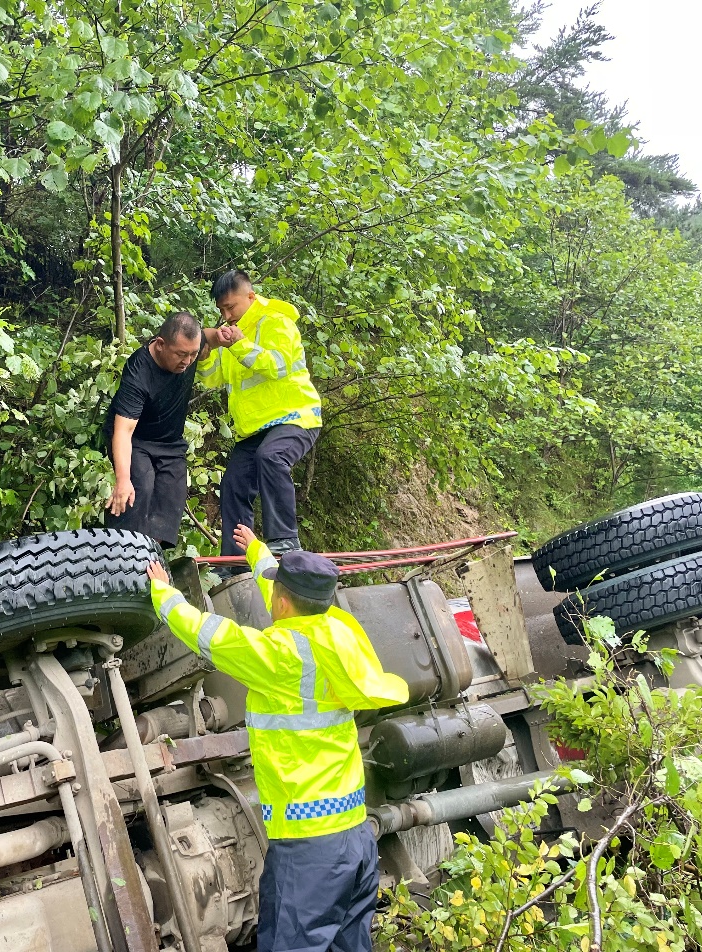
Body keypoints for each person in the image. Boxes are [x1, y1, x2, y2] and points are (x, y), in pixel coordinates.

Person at [146, 526, 409, 952]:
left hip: (309, 851)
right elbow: (289, 585)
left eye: (275, 591)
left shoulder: (280, 656)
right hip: (355, 837)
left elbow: (209, 633)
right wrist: (256, 550)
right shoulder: (336, 631)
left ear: (281, 601)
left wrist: (164, 593)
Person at [196, 270, 322, 559]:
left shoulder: (276, 321)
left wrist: (239, 344)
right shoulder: (231, 334)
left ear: (250, 296)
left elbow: (276, 365)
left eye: (231, 307)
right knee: (234, 484)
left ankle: (285, 539)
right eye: (222, 310)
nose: (227, 315)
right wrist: (204, 360)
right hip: (254, 430)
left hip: (296, 417)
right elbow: (215, 378)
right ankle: (234, 560)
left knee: (272, 457)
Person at [103, 312, 233, 548]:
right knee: (139, 487)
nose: (188, 361)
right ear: (161, 345)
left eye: (193, 354)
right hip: (136, 440)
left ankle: (151, 558)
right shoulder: (139, 372)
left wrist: (224, 336)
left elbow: (209, 337)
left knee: (171, 496)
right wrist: (122, 480)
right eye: (181, 354)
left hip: (170, 442)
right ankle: (119, 555)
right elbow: (123, 430)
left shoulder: (192, 344)